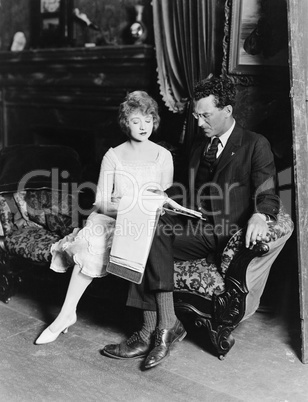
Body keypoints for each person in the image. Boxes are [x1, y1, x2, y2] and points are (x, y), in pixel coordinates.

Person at [103, 76, 280, 369]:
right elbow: (185, 188)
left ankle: (155, 330)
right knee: (143, 226)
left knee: (151, 234)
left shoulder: (254, 144)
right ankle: (160, 327)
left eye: (205, 115)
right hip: (193, 223)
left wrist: (261, 215)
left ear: (227, 111)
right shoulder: (199, 145)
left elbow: (268, 192)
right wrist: (160, 200)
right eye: (197, 115)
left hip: (221, 231)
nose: (199, 123)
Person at [35, 90, 174, 345]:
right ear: (125, 123)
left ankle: (155, 324)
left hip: (146, 225)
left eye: (148, 119)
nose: (143, 126)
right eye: (135, 121)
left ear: (154, 120)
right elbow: (101, 201)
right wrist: (128, 209)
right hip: (112, 219)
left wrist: (147, 210)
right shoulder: (113, 155)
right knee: (91, 245)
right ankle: (66, 315)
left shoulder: (163, 156)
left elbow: (164, 199)